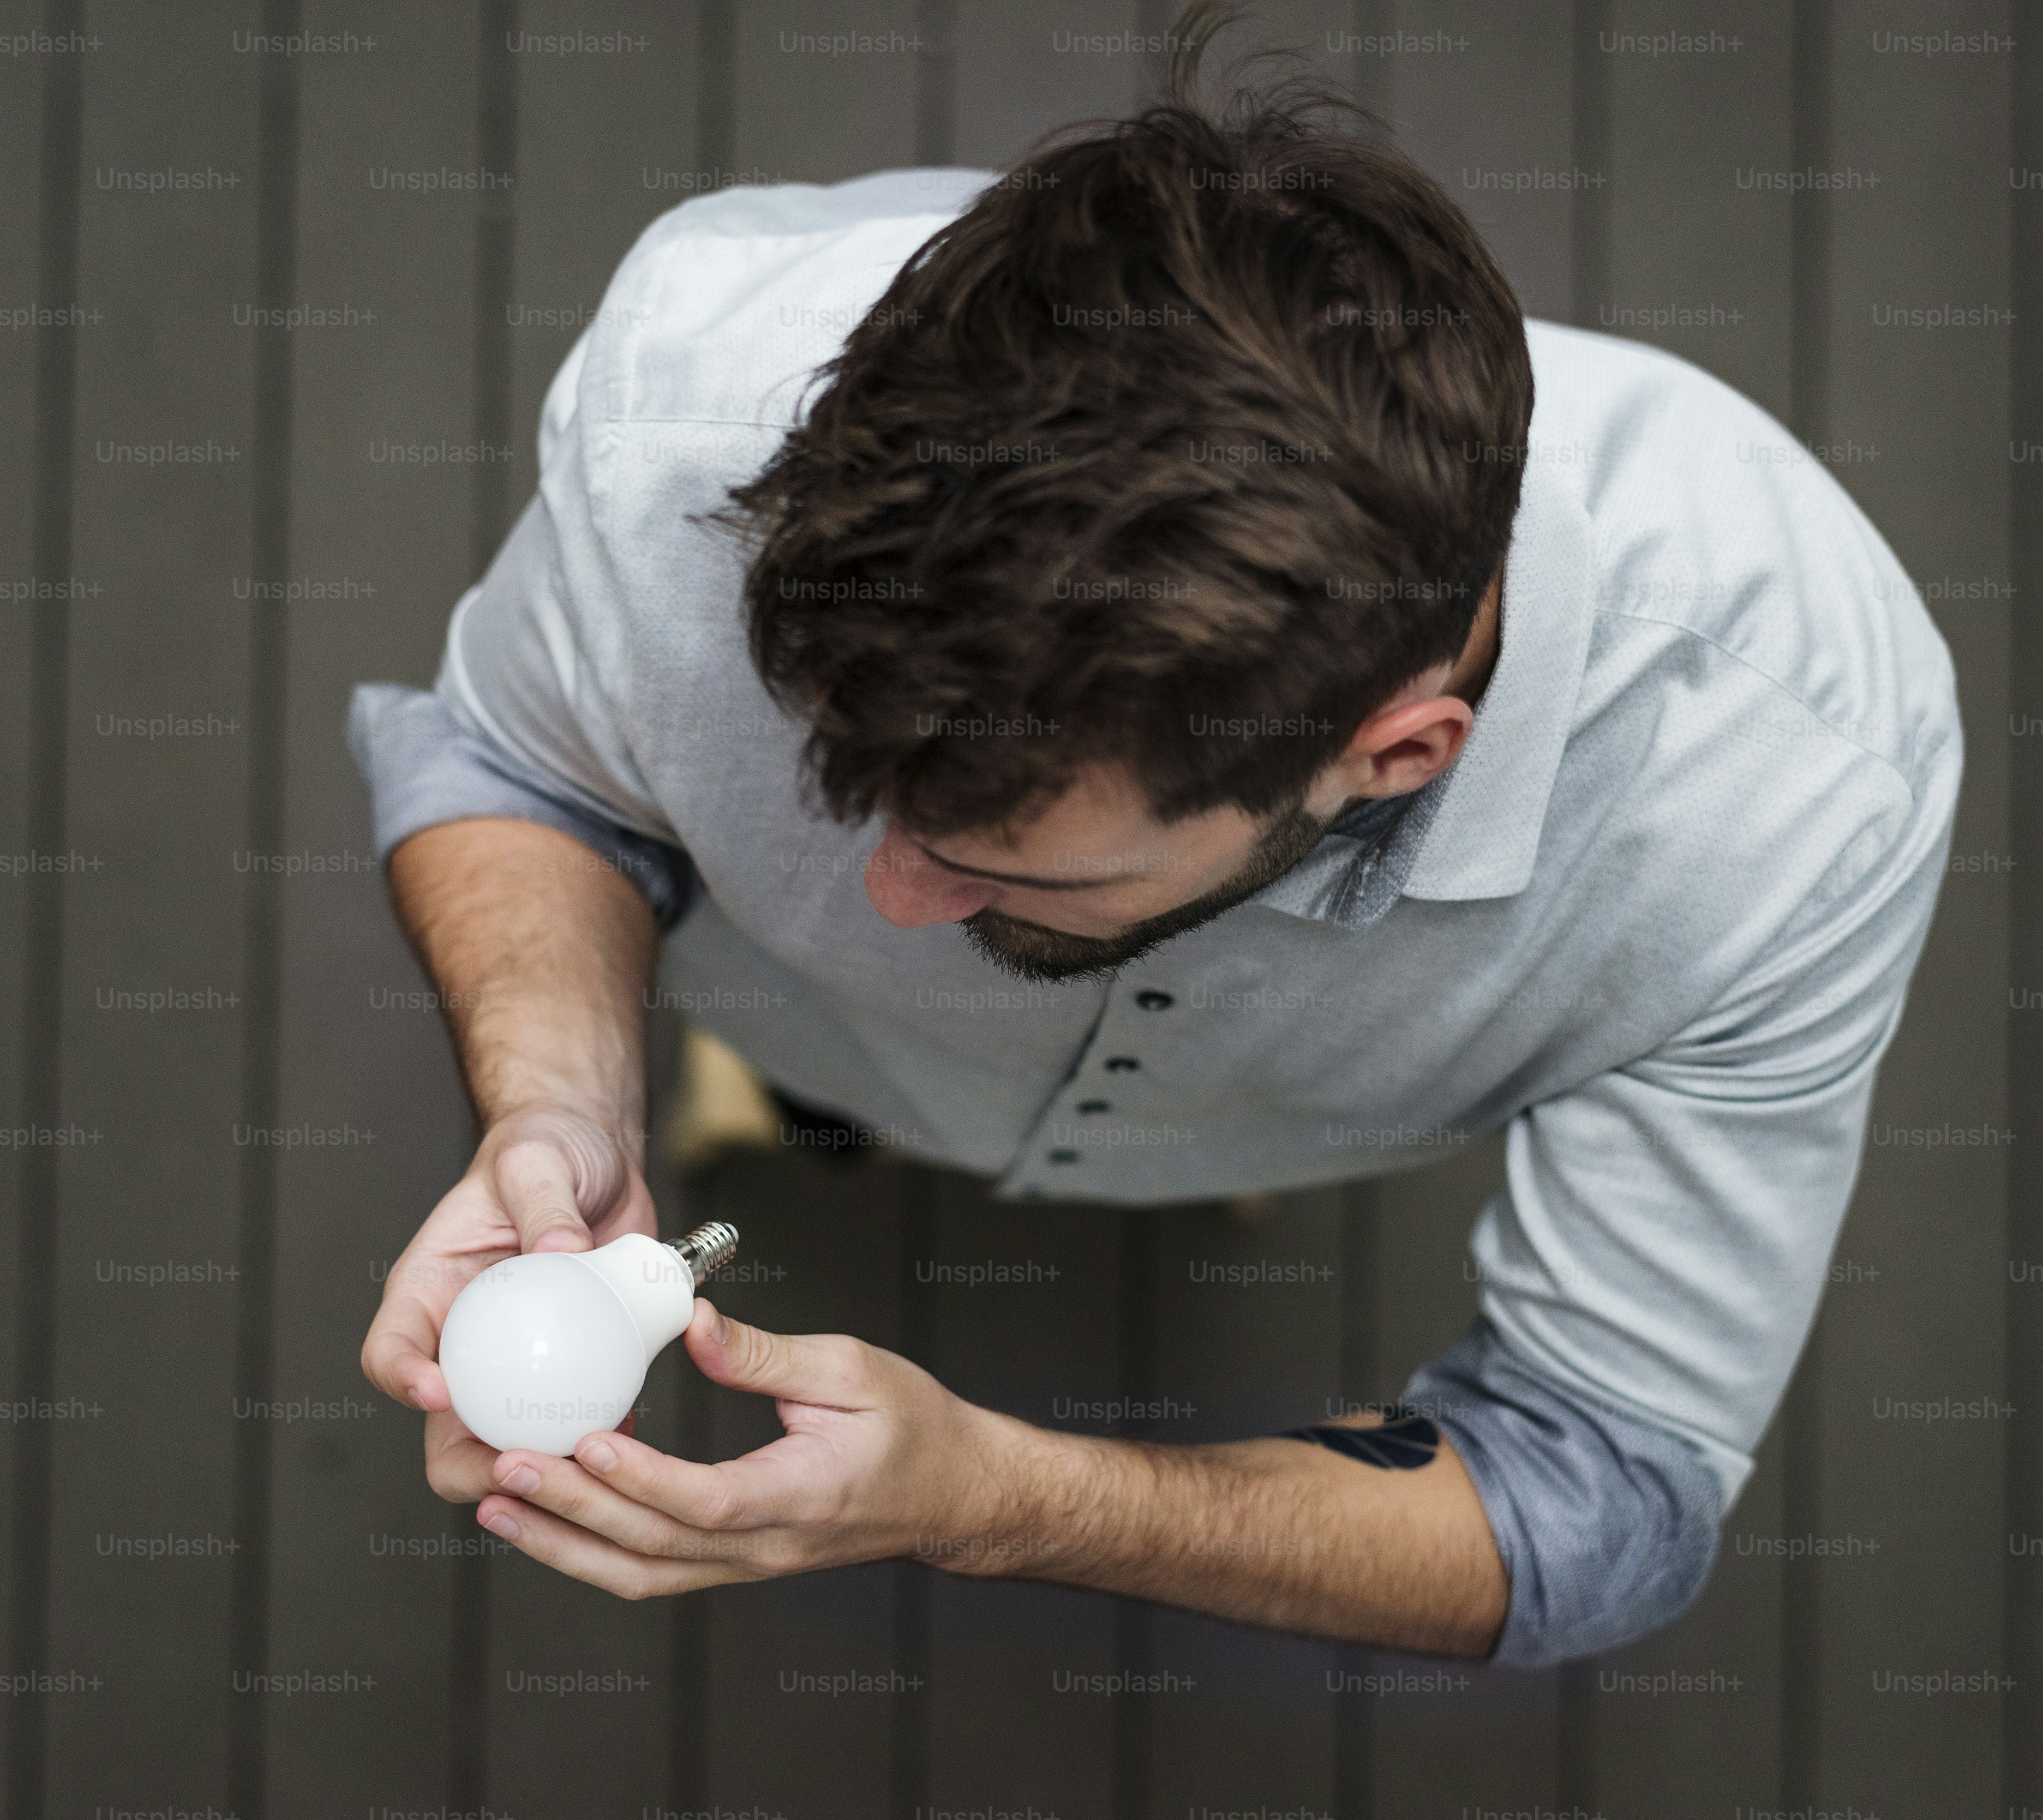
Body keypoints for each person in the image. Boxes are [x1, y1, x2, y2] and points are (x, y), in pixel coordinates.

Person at [349, 19, 1958, 1666]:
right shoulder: (680, 426)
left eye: (1016, 866)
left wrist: (997, 1499)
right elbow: (518, 765)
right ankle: (804, 1096)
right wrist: (561, 1090)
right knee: (816, 1074)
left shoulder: (1793, 807)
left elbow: (1596, 1489)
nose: (884, 899)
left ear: (1394, 755)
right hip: (820, 1045)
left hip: (1245, 1125)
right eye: (844, 782)